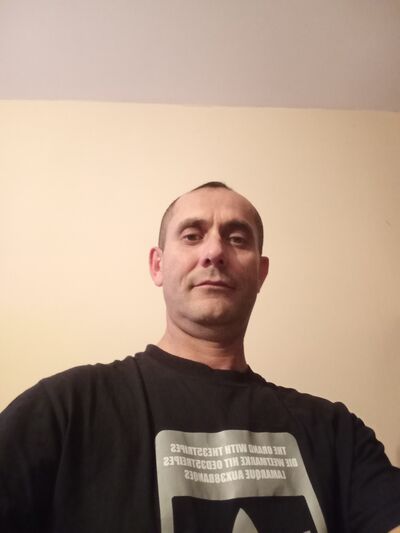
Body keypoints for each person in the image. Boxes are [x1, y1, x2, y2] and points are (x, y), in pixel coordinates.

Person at [0, 181, 399, 533]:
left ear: (260, 274)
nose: (214, 252)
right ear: (158, 265)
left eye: (237, 239)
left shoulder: (337, 433)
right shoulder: (63, 410)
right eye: (192, 236)